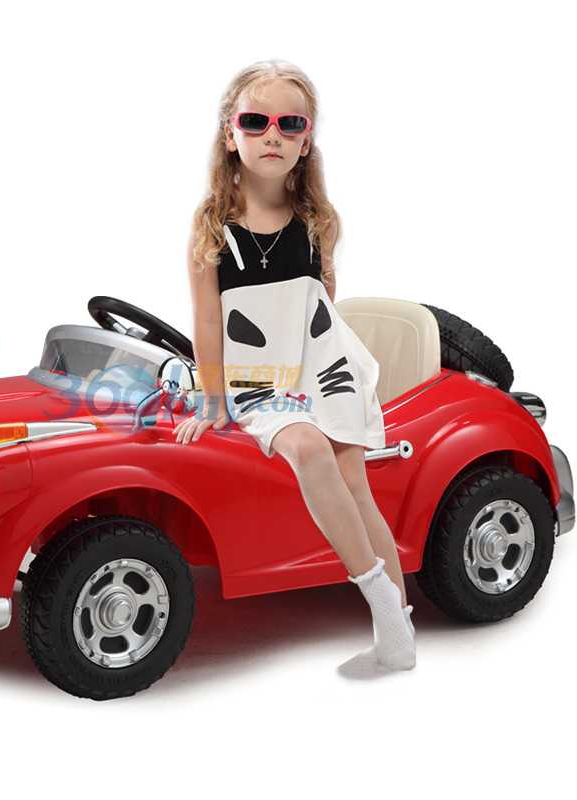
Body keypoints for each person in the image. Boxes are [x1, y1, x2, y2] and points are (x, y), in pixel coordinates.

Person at [174, 59, 416, 672]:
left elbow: (321, 308)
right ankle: (383, 603)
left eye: (290, 124)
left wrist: (321, 379)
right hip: (259, 376)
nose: (272, 135)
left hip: (324, 365)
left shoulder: (318, 223)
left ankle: (397, 633)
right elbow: (208, 323)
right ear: (230, 133)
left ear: (306, 141)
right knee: (307, 446)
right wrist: (212, 398)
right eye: (256, 121)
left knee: (354, 477)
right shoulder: (211, 227)